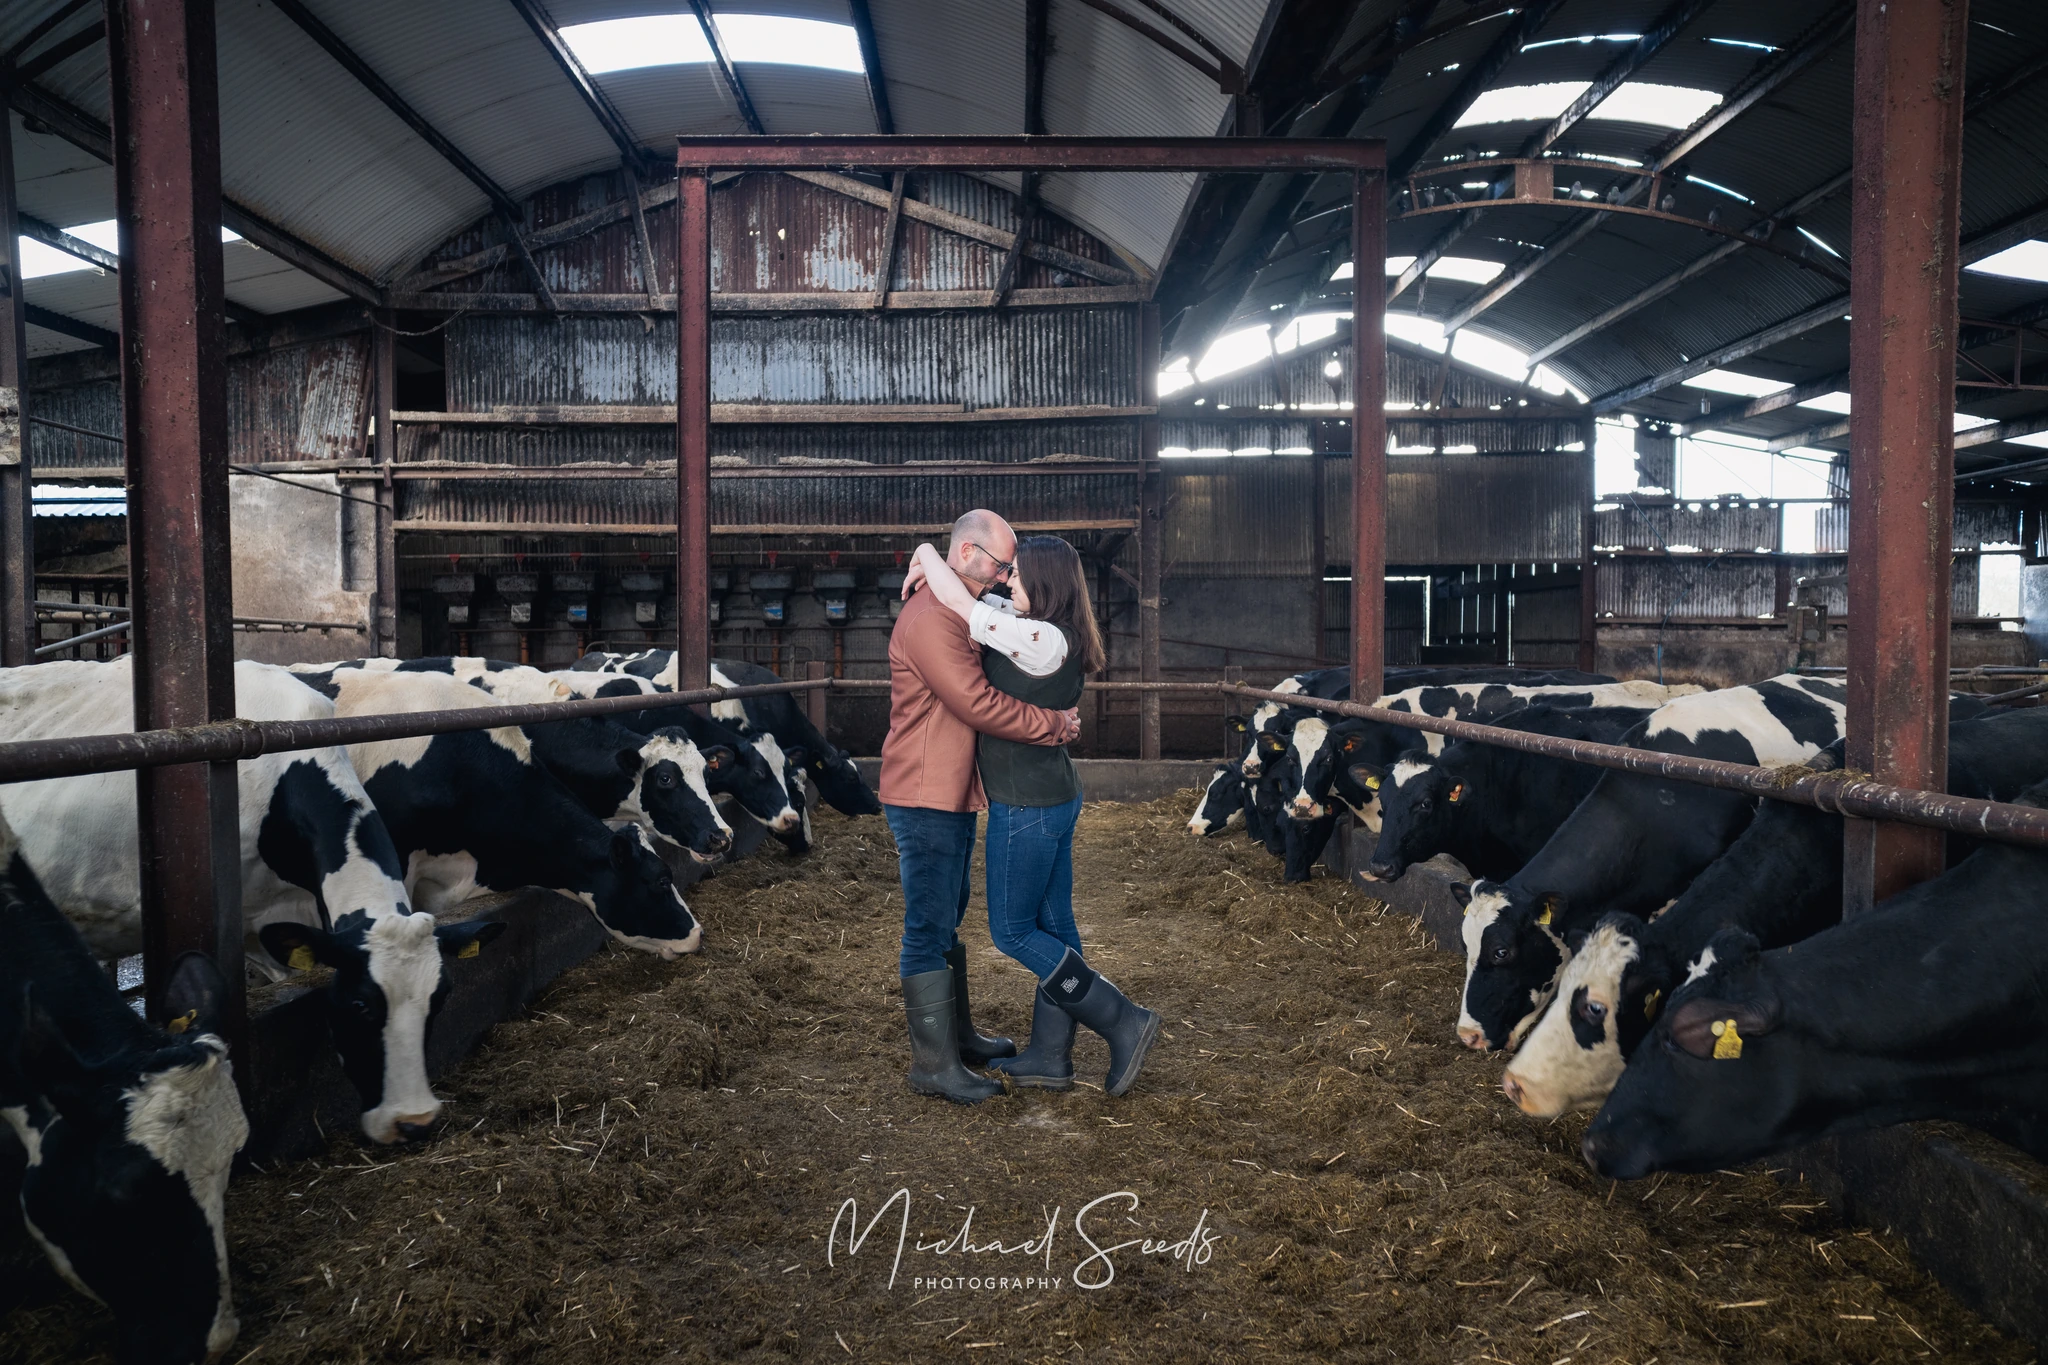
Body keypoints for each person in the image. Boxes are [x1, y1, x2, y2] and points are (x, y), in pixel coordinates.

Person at [901, 534, 1161, 1098]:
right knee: (1057, 927)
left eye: (1015, 574)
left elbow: (968, 607)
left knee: (1014, 932)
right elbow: (972, 602)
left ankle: (1122, 1020)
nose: (1006, 581)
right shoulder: (1040, 628)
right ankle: (1048, 1056)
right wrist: (942, 572)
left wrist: (926, 554)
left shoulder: (1040, 639)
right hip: (1052, 797)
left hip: (1029, 807)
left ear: (1042, 583)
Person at [880, 509, 1081, 1105]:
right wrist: (1053, 725)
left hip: (949, 787)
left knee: (949, 911)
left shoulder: (958, 609)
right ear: (967, 555)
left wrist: (923, 555)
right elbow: (976, 703)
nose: (1003, 577)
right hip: (924, 791)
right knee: (928, 923)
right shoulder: (933, 621)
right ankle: (933, 1065)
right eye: (999, 564)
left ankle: (958, 1037)